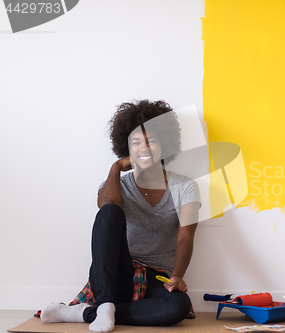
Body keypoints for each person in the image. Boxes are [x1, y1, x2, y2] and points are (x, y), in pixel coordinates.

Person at [40, 100, 201, 332]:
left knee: (178, 306)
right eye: (136, 142)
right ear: (126, 147)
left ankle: (85, 313)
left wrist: (177, 276)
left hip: (157, 278)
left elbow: (185, 236)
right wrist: (116, 167)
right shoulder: (115, 184)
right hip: (117, 274)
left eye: (151, 141)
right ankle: (105, 305)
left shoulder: (184, 186)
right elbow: (106, 210)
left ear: (164, 145)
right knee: (109, 213)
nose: (143, 148)